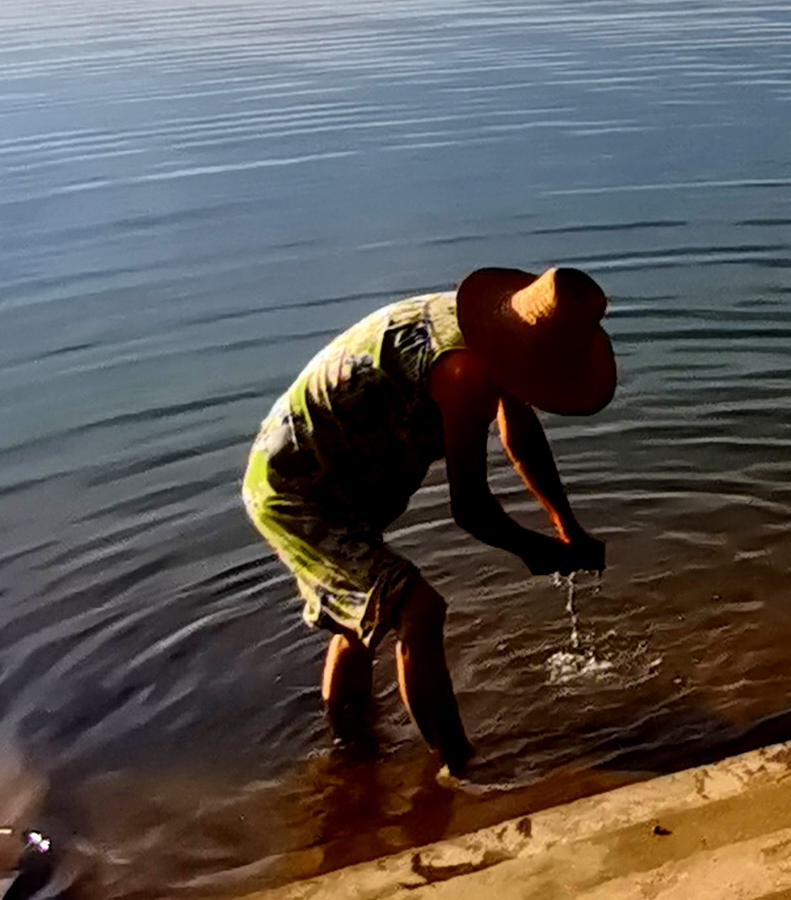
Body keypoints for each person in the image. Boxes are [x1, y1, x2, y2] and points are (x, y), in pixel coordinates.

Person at [242, 267, 615, 776]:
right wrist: (536, 551)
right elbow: (471, 507)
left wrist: (566, 526)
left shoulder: (492, 338)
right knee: (418, 609)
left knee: (364, 619)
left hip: (346, 476)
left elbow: (520, 436)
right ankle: (460, 770)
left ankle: (352, 761)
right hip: (296, 486)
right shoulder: (462, 373)